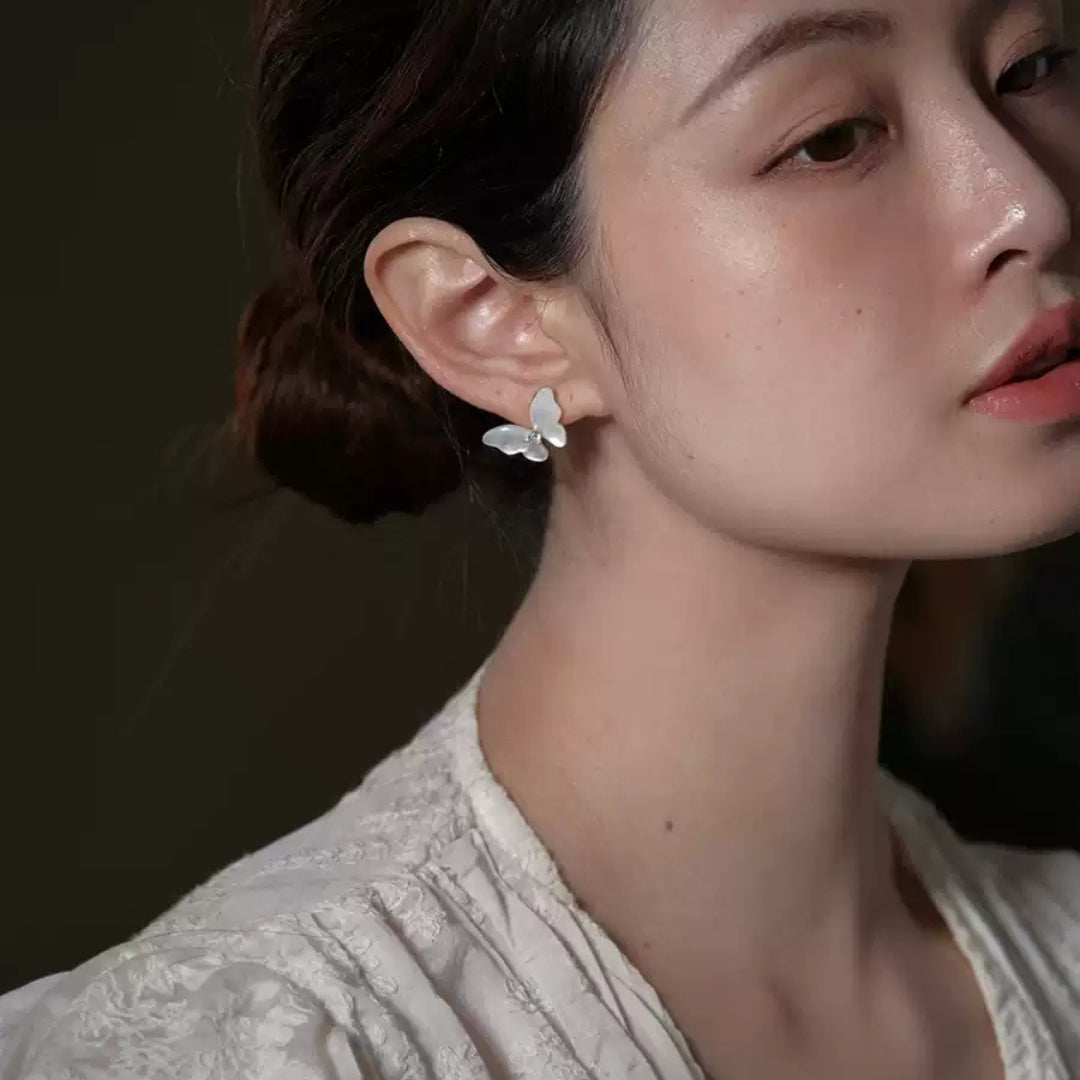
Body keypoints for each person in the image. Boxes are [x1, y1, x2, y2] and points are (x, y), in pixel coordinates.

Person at [3, 0, 1080, 1075]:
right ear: (490, 318)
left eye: (1031, 65)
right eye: (833, 136)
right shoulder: (254, 1048)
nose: (1028, 202)